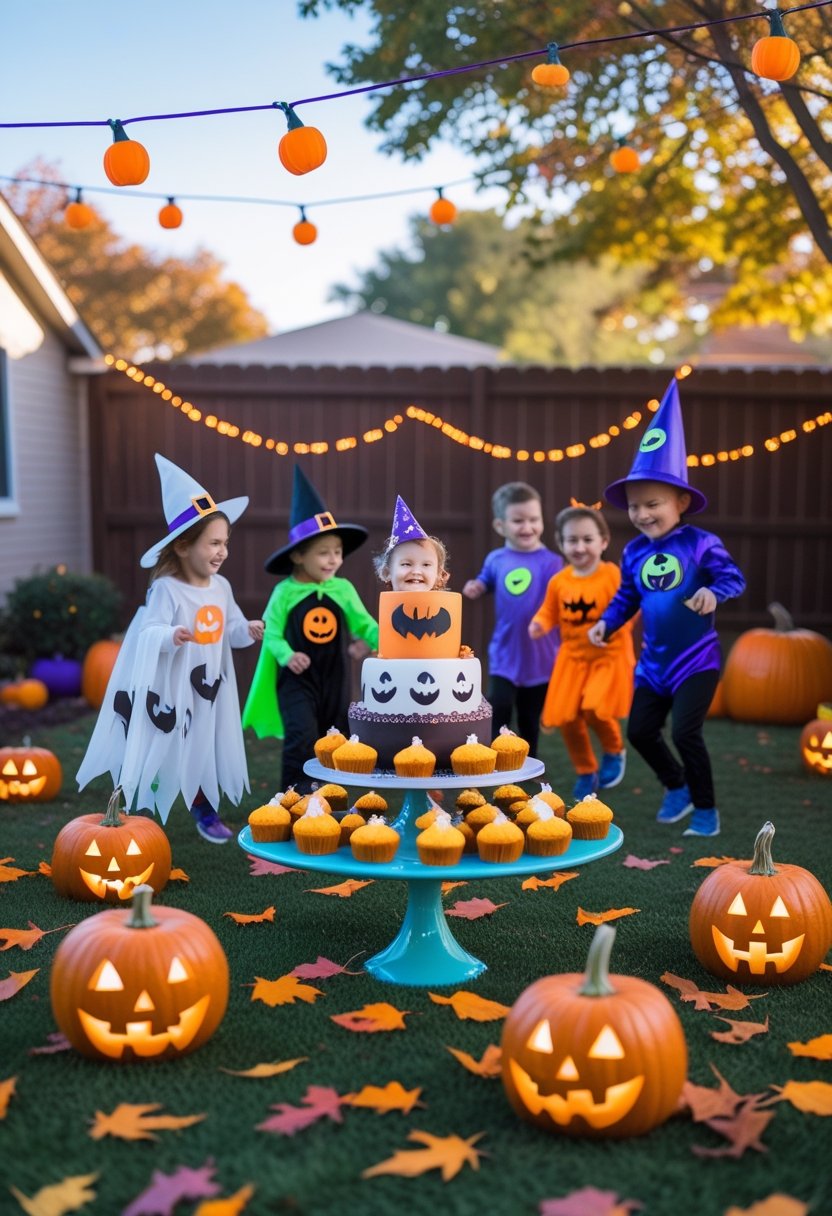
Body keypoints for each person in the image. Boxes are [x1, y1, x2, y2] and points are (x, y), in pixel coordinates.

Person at [77, 454, 264, 843]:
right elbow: (149, 630)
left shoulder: (222, 587)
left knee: (200, 746)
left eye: (224, 543)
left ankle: (203, 808)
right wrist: (170, 634)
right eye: (213, 543)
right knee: (158, 745)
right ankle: (132, 808)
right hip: (168, 686)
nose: (222, 551)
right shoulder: (166, 589)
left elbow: (229, 629)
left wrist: (246, 629)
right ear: (182, 546)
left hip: (206, 687)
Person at [587, 380, 746, 838]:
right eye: (635, 506)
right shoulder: (635, 552)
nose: (642, 514)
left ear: (680, 502)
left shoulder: (702, 543)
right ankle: (674, 784)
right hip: (652, 664)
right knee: (639, 731)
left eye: (652, 504)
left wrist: (714, 593)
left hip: (696, 660)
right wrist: (606, 624)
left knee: (685, 734)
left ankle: (705, 809)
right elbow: (628, 597)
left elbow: (733, 578)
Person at [242, 465, 378, 793]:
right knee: (301, 736)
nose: (333, 560)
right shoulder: (284, 593)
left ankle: (331, 797)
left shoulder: (342, 589)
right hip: (296, 680)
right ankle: (292, 796)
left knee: (335, 738)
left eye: (337, 552)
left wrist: (389, 643)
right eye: (323, 553)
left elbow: (364, 624)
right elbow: (271, 633)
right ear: (300, 555)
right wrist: (288, 655)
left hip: (335, 677)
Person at [529, 504, 635, 800]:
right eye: (572, 540)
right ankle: (586, 770)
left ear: (603, 541)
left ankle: (614, 749)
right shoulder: (560, 581)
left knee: (593, 706)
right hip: (572, 658)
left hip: (608, 655)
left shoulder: (612, 575)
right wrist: (539, 623)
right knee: (568, 717)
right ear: (561, 544)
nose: (580, 547)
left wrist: (610, 628)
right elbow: (550, 611)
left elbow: (629, 608)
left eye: (587, 539)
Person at [463, 482, 563, 759]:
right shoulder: (497, 559)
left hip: (541, 656)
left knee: (530, 717)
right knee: (500, 707)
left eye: (534, 519)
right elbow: (485, 579)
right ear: (500, 525)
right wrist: (477, 586)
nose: (527, 527)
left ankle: (530, 766)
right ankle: (497, 762)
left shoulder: (553, 562)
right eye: (518, 521)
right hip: (505, 653)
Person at [373, 495, 450, 592]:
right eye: (406, 564)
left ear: (438, 574)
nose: (416, 571)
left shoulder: (444, 606)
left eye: (426, 565)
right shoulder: (386, 607)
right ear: (387, 572)